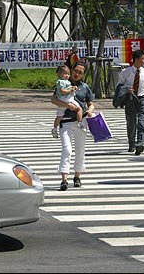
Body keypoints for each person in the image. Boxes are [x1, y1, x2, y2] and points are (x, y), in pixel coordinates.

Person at [51, 62, 95, 191]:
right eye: (76, 70)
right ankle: (64, 179)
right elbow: (53, 99)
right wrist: (68, 106)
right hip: (65, 122)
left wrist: (91, 110)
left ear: (83, 74)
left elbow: (91, 103)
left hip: (81, 123)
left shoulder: (85, 87)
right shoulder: (64, 82)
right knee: (67, 150)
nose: (77, 74)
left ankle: (77, 176)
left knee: (80, 151)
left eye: (80, 72)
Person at [118, 49, 144, 155]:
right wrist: (127, 90)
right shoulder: (125, 72)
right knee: (131, 123)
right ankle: (131, 143)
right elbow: (119, 87)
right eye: (142, 59)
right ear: (136, 60)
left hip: (142, 99)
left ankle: (139, 144)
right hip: (130, 99)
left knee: (141, 122)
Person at [51, 65, 84, 138]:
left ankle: (79, 122)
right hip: (65, 99)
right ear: (59, 74)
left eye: (68, 74)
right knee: (60, 115)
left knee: (78, 109)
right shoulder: (60, 82)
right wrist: (70, 91)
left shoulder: (67, 82)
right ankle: (55, 128)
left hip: (68, 99)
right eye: (65, 74)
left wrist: (73, 88)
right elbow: (62, 91)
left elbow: (68, 88)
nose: (67, 76)